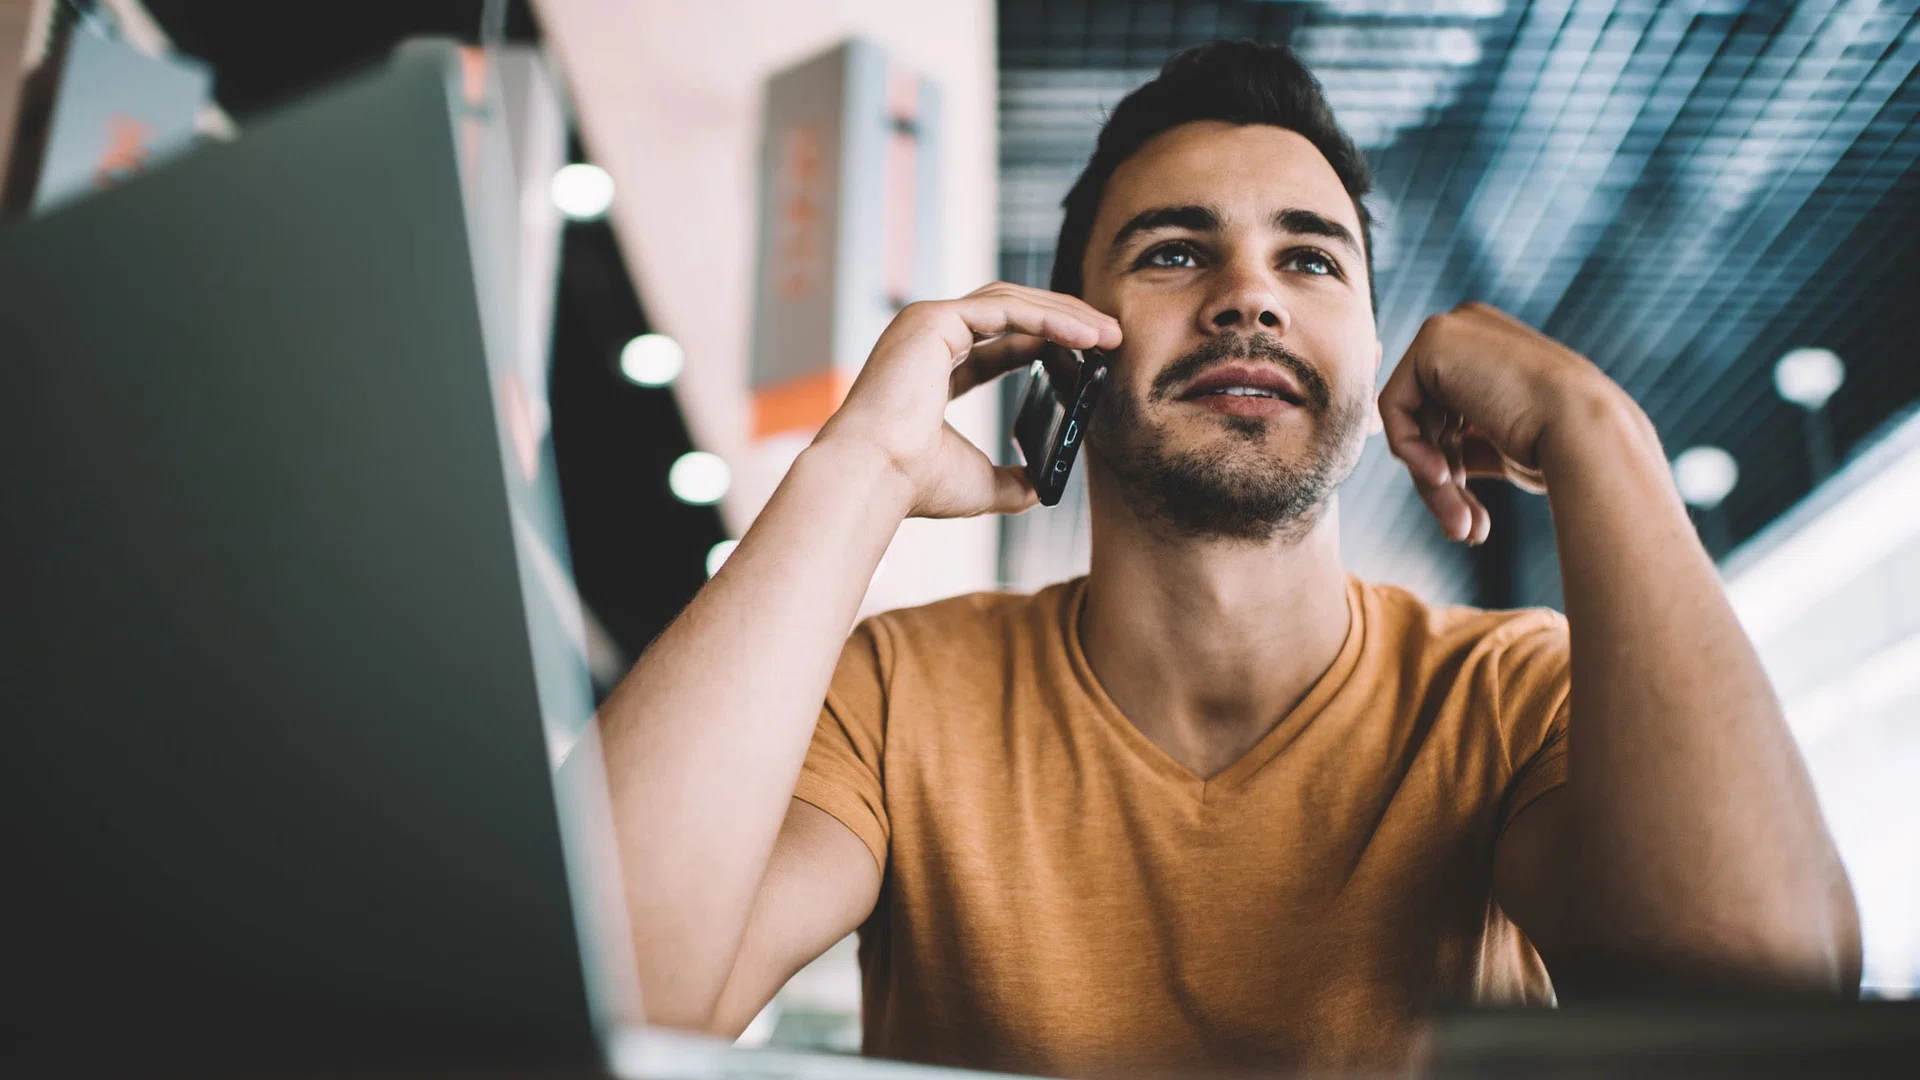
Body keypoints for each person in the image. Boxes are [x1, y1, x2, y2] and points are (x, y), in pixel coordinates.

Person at [597, 41, 1860, 1076]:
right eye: (1173, 250)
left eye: (1311, 259)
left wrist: (1601, 436)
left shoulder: (1513, 693)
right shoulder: (897, 695)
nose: (1249, 294)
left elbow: (1761, 1001)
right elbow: (597, 986)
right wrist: (855, 473)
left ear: (1371, 352)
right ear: (1060, 349)